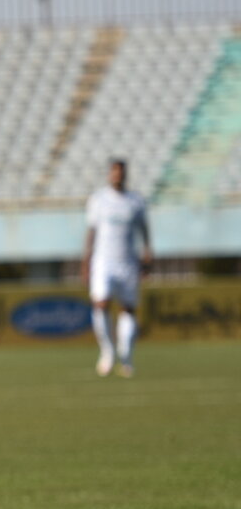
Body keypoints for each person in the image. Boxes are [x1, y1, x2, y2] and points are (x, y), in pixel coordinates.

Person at [83, 159, 152, 378]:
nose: (117, 175)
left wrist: (148, 252)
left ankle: (126, 356)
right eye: (114, 171)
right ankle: (108, 351)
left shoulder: (135, 201)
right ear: (109, 174)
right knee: (101, 303)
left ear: (125, 174)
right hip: (103, 261)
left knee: (128, 309)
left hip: (128, 261)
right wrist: (86, 261)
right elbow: (92, 231)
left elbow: (144, 229)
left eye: (121, 172)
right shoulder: (98, 200)